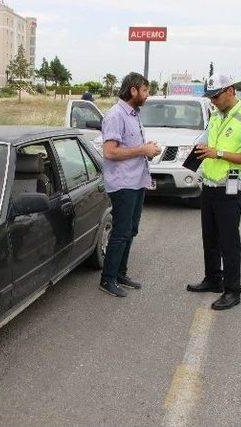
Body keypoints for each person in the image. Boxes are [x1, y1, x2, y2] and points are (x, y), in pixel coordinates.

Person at [187, 74, 241, 310]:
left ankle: (233, 290)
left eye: (215, 96)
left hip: (230, 189)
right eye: (210, 97)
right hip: (209, 186)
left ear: (230, 90)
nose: (213, 101)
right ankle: (212, 279)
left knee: (229, 241)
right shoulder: (216, 115)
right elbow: (205, 143)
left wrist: (216, 153)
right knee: (209, 238)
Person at [99, 72, 162, 297]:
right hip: (123, 184)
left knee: (131, 230)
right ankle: (108, 279)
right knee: (121, 231)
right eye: (145, 90)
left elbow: (131, 147)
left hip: (137, 182)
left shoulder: (133, 114)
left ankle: (120, 273)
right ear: (133, 90)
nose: (148, 95)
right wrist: (142, 150)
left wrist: (148, 151)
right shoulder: (116, 115)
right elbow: (110, 152)